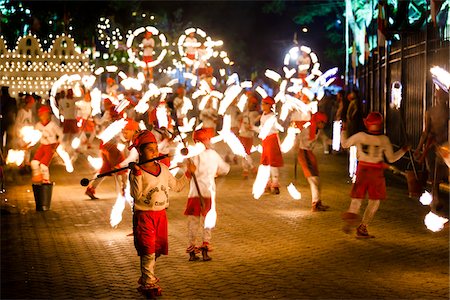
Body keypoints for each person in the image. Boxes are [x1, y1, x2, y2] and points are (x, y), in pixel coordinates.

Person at [128, 130, 191, 296]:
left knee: (156, 250)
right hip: (144, 216)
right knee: (148, 249)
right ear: (140, 151)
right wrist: (136, 175)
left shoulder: (163, 168)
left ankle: (146, 275)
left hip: (161, 215)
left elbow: (177, 186)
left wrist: (188, 174)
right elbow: (136, 195)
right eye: (150, 149)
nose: (155, 152)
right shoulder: (136, 171)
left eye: (156, 149)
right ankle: (148, 282)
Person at [340, 112, 410, 238]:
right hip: (376, 172)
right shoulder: (383, 139)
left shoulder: (360, 136)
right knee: (374, 201)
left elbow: (345, 144)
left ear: (367, 123)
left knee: (357, 198)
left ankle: (351, 218)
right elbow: (392, 158)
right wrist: (403, 150)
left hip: (362, 169)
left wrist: (343, 131)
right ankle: (363, 227)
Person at [184, 128, 230, 261]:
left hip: (195, 193)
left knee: (194, 222)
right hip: (207, 193)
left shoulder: (193, 155)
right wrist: (215, 172)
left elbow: (188, 174)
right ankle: (204, 248)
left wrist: (189, 169)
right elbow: (225, 169)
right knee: (206, 221)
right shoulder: (212, 154)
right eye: (207, 139)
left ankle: (193, 249)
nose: (209, 141)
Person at [414, 87, 449, 215]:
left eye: (443, 96)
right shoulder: (430, 112)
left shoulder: (448, 112)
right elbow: (426, 131)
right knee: (433, 173)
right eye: (439, 97)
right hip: (432, 146)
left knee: (439, 174)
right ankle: (435, 199)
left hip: (445, 147)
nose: (440, 99)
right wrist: (419, 148)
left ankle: (435, 198)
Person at [297, 112, 331, 211]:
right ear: (318, 121)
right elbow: (298, 138)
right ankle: (315, 203)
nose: (323, 125)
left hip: (309, 153)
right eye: (322, 123)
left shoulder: (318, 131)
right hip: (304, 153)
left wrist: (339, 143)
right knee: (313, 179)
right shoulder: (307, 129)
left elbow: (325, 139)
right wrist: (296, 144)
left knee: (317, 179)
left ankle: (318, 202)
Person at [30, 106, 63, 184]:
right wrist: (29, 144)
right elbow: (34, 136)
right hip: (42, 146)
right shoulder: (38, 125)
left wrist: (56, 146)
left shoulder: (53, 125)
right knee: (34, 163)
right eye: (43, 114)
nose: (45, 116)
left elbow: (61, 135)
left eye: (47, 114)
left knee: (43, 165)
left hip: (50, 146)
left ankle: (46, 181)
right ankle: (38, 176)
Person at [259, 96, 283, 194]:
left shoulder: (272, 117)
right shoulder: (264, 115)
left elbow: (267, 129)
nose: (262, 106)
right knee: (265, 163)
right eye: (262, 103)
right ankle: (268, 183)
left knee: (272, 162)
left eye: (264, 104)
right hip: (265, 140)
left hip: (272, 139)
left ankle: (275, 184)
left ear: (269, 105)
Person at [14, 95, 36, 172]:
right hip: (21, 133)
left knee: (28, 149)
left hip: (28, 133)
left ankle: (27, 163)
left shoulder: (29, 112)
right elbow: (17, 123)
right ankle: (21, 165)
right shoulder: (21, 112)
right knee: (22, 149)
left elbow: (30, 122)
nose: (32, 106)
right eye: (31, 104)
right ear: (28, 103)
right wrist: (18, 133)